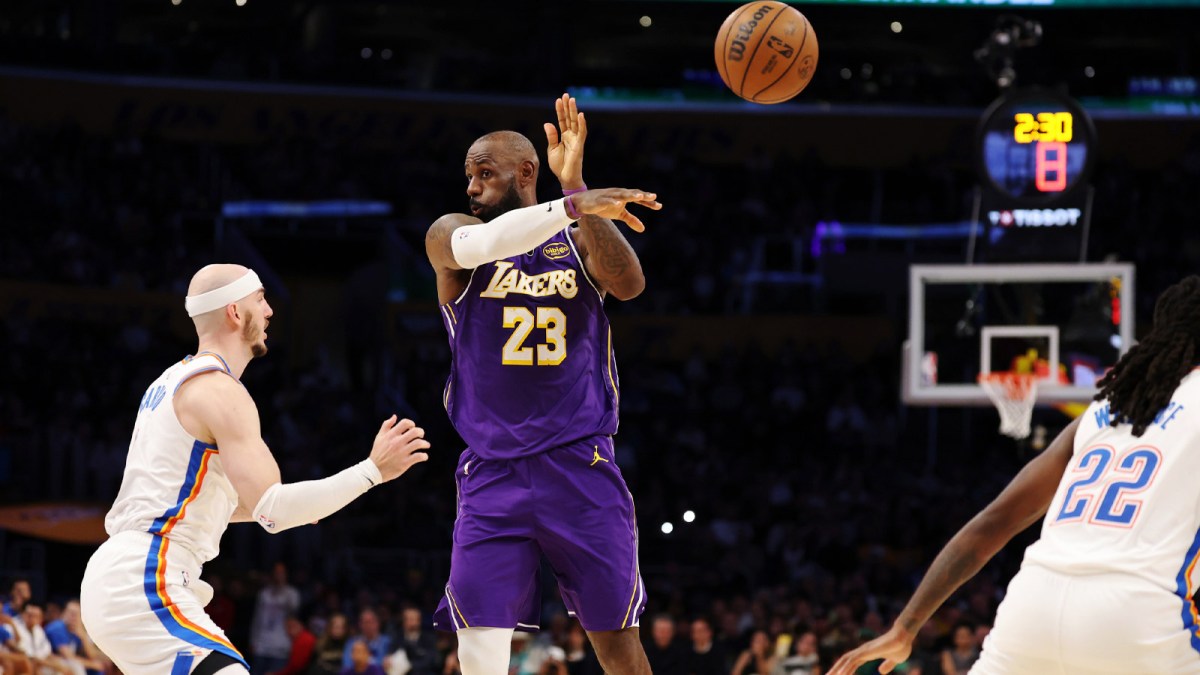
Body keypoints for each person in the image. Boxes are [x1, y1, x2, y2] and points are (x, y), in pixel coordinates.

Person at [832, 275, 1200, 674]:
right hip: (1137, 616)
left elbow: (996, 519)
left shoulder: (1104, 408)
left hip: (1032, 607)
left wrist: (906, 627)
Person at [79, 263, 432, 675]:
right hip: (146, 576)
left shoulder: (172, 380)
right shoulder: (220, 390)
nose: (269, 311)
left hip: (124, 574)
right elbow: (273, 510)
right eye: (260, 299)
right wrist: (373, 470)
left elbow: (207, 504)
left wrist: (306, 505)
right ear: (234, 312)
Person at [425, 93, 661, 675]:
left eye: (485, 172)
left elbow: (629, 285)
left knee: (617, 643)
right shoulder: (452, 237)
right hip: (493, 470)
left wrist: (577, 191)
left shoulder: (578, 239)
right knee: (478, 640)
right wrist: (573, 202)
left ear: (527, 172)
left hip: (579, 464)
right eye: (468, 175)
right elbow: (483, 243)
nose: (472, 187)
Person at [43, 600, 106, 675]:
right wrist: (92, 665)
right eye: (70, 613)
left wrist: (83, 637)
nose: (72, 617)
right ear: (64, 613)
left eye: (76, 614)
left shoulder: (77, 630)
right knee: (76, 667)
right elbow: (68, 657)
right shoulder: (57, 627)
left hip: (66, 663)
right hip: (49, 662)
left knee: (97, 672)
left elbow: (93, 656)